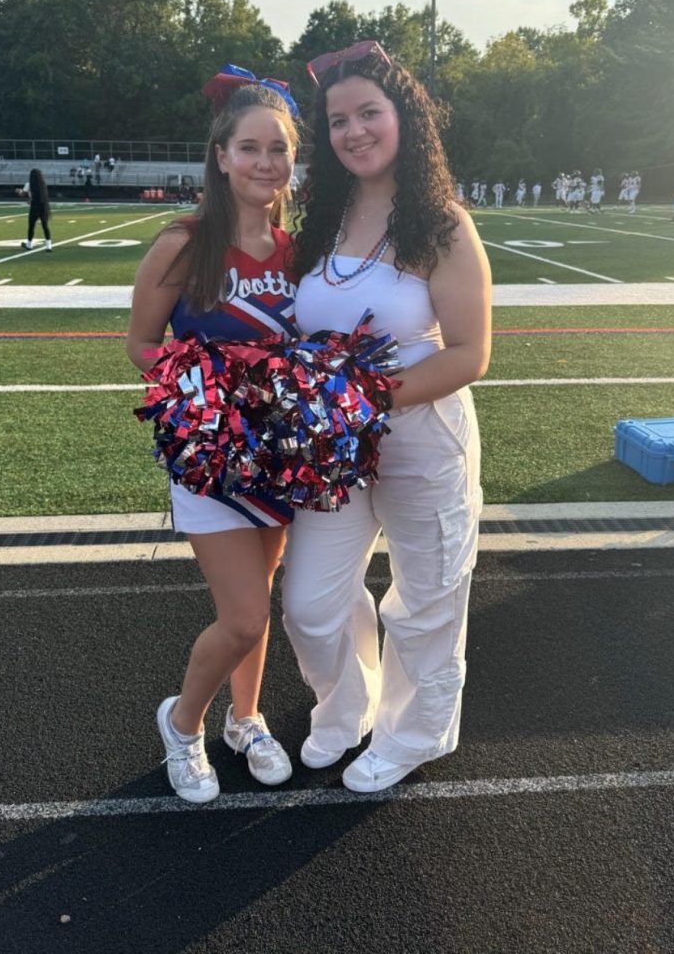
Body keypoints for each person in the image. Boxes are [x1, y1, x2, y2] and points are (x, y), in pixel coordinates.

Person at [282, 39, 492, 793]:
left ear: (404, 117)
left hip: (419, 437)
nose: (355, 131)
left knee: (428, 596)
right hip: (332, 450)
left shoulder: (443, 225)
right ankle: (346, 705)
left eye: (370, 112)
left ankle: (414, 733)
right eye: (338, 121)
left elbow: (470, 352)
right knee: (310, 603)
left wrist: (363, 399)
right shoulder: (321, 218)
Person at [126, 66, 301, 804]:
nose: (266, 162)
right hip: (212, 461)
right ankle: (183, 721)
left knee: (259, 598)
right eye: (250, 148)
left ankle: (247, 717)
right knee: (245, 614)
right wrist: (207, 403)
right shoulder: (184, 243)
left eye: (279, 150)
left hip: (282, 458)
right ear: (221, 156)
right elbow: (140, 344)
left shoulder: (299, 253)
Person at [18, 168, 53, 251]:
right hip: (44, 206)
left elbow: (23, 194)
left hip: (34, 207)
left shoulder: (29, 184)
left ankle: (29, 245)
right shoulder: (43, 185)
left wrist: (18, 191)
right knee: (45, 226)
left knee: (31, 226)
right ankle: (49, 246)